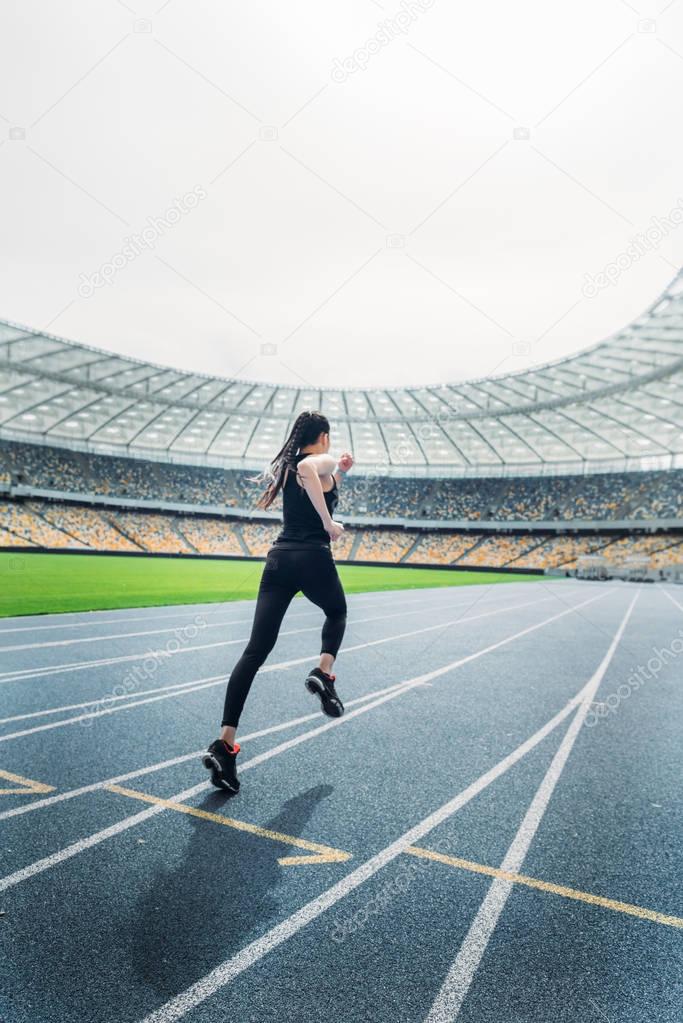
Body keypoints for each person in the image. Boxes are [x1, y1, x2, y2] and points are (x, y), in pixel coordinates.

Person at [202, 410, 353, 792]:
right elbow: (310, 470)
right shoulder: (312, 461)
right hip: (312, 556)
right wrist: (329, 524)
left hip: (279, 559)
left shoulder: (291, 467)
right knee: (336, 611)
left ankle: (225, 743)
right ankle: (323, 671)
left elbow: (312, 476)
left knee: (255, 651)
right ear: (323, 436)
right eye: (329, 440)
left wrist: (341, 472)